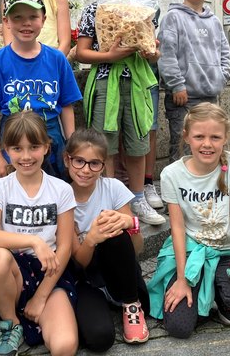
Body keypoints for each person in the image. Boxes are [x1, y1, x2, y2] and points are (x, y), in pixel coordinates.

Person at [146, 103, 230, 338]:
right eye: (199, 136)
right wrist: (181, 279)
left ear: (225, 137)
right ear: (187, 137)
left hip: (227, 251)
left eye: (215, 137)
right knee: (179, 327)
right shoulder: (172, 174)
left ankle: (223, 298)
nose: (207, 144)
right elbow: (177, 229)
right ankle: (202, 294)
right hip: (192, 251)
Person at [0, 111, 78, 356]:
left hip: (51, 270)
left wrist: (41, 297)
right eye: (17, 149)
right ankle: (11, 323)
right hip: (14, 273)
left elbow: (64, 248)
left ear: (46, 148)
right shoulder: (0, 186)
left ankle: (39, 309)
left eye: (34, 147)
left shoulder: (61, 189)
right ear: (7, 150)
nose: (26, 156)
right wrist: (33, 241)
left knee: (64, 346)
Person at [75, 0, 166, 226]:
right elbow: (81, 52)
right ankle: (110, 198)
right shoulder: (92, 10)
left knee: (138, 142)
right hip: (104, 82)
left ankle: (137, 197)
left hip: (136, 82)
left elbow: (150, 47)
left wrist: (153, 53)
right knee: (107, 144)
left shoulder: (144, 8)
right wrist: (109, 56)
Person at [0, 0, 82, 185]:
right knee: (11, 191)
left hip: (51, 134)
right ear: (6, 21)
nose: (26, 23)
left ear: (44, 19)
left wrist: (71, 145)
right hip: (11, 134)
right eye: (17, 18)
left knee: (54, 188)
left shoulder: (57, 59)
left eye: (32, 16)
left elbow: (67, 105)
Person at [66, 129, 150, 350]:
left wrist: (131, 225)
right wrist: (91, 238)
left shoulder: (113, 187)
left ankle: (132, 306)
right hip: (85, 279)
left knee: (115, 231)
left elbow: (136, 249)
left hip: (121, 275)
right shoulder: (61, 196)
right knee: (99, 339)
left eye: (94, 163)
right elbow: (78, 264)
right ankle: (96, 307)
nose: (86, 169)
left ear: (103, 165)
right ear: (68, 160)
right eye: (79, 162)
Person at [158, 0, 230, 164]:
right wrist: (177, 85)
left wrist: (222, 78)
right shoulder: (173, 18)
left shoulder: (214, 21)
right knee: (183, 148)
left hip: (211, 96)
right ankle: (178, 192)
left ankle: (207, 191)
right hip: (183, 98)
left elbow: (225, 52)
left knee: (210, 149)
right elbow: (167, 54)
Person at [127, 0, 170, 210]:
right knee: (127, 134)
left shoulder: (153, 6)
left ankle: (147, 182)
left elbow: (154, 46)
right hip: (123, 76)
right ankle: (129, 188)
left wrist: (154, 53)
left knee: (150, 131)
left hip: (148, 77)